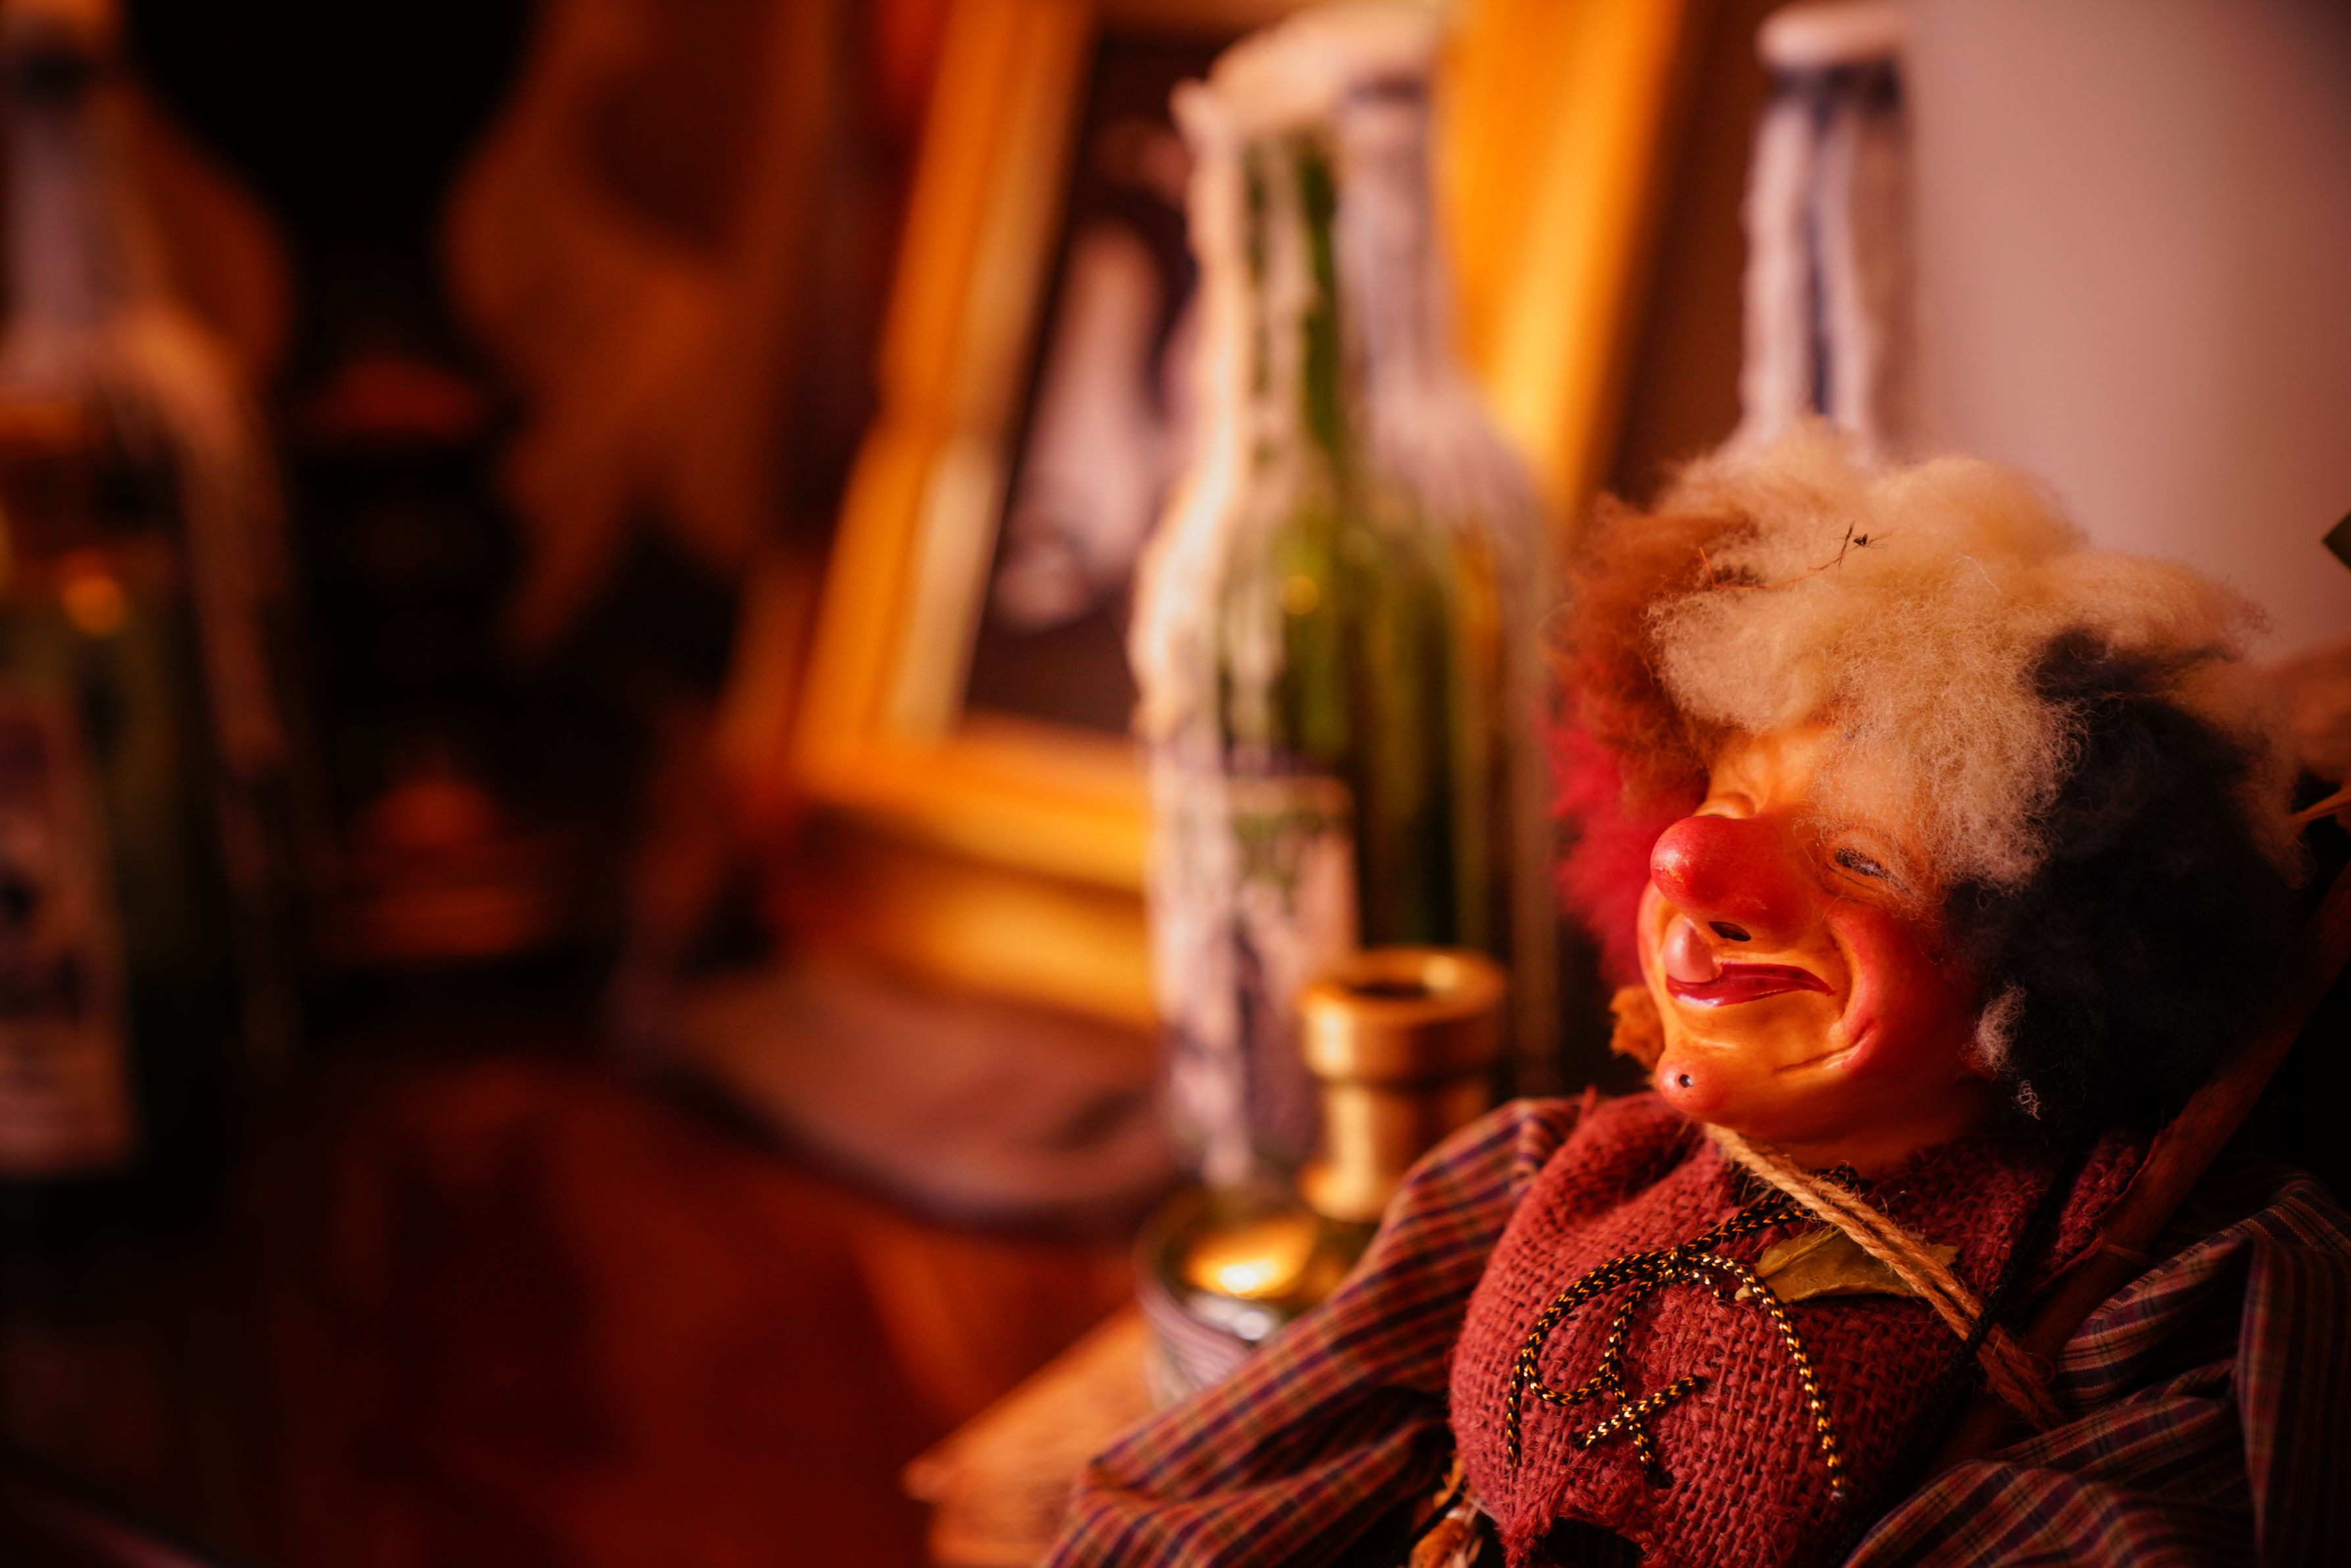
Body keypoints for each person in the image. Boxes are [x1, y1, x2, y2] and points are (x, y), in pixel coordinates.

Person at [1047, 429, 2351, 1566]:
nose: (1692, 864)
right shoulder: (1539, 1174)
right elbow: (1228, 1477)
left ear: (2041, 973)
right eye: (1724, 800)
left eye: (1861, 859)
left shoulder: (2153, 1280)